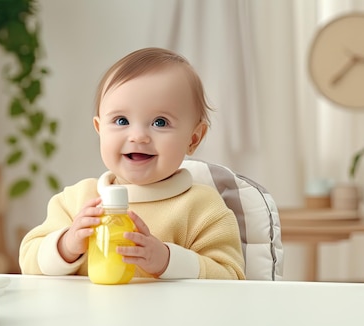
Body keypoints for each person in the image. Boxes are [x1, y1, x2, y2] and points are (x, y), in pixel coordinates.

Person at [19, 47, 245, 280]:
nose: (138, 136)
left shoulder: (202, 208)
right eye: (121, 120)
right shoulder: (76, 201)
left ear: (193, 138)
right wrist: (66, 245)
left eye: (160, 122)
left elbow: (232, 277)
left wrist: (168, 260)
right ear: (99, 129)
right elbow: (28, 259)